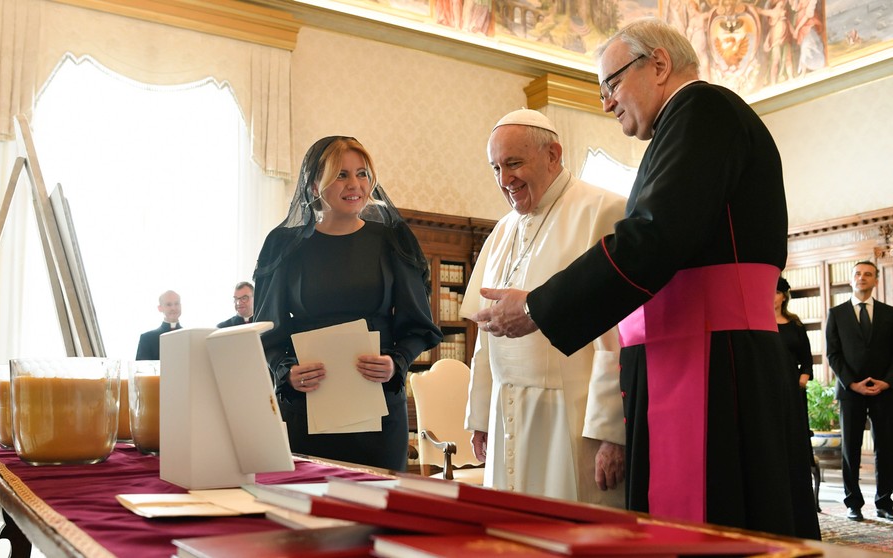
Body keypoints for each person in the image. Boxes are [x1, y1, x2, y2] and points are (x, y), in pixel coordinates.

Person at [470, 18, 820, 539]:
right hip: (688, 352)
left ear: (658, 64)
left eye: (611, 84)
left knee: (715, 523)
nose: (607, 103)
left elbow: (655, 237)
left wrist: (540, 306)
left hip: (712, 356)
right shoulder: (681, 127)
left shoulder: (704, 109)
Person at [460, 109, 626, 506]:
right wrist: (481, 416)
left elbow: (617, 335)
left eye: (514, 163)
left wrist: (612, 433)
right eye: (496, 167)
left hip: (571, 420)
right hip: (507, 413)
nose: (505, 180)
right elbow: (487, 333)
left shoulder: (603, 210)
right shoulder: (502, 231)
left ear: (553, 155)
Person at [252, 136, 441, 471]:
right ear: (313, 186)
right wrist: (287, 372)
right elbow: (265, 331)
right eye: (341, 175)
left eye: (362, 174)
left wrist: (396, 362)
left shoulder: (392, 241)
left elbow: (419, 327)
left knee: (378, 512)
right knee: (307, 511)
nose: (355, 184)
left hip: (378, 409)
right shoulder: (284, 246)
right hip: (308, 408)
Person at [825, 260, 893, 522]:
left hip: (884, 391)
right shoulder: (837, 313)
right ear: (851, 279)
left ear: (876, 280)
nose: (862, 278)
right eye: (857, 274)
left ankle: (885, 502)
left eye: (868, 274)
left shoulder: (889, 313)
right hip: (850, 391)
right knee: (850, 448)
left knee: (886, 447)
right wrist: (852, 383)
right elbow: (833, 354)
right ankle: (853, 503)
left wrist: (886, 382)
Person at [775, 276, 818, 510]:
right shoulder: (759, 322)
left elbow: (807, 359)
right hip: (769, 388)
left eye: (776, 292)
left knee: (794, 433)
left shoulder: (795, 324)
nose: (771, 297)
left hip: (793, 388)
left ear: (784, 296)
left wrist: (804, 377)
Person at [136, 290, 182, 360]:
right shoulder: (147, 338)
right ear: (160, 308)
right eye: (168, 304)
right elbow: (141, 369)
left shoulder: (190, 337)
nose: (173, 308)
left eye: (177, 303)